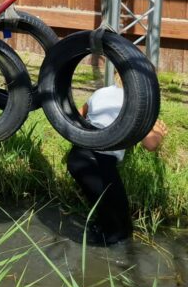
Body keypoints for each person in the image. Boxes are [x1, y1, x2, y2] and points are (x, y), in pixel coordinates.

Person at [66, 86, 167, 246]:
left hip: (77, 157)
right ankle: (102, 264)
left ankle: (94, 243)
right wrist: (160, 132)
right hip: (99, 164)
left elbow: (78, 116)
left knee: (108, 216)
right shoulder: (138, 102)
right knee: (121, 231)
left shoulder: (101, 92)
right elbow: (150, 144)